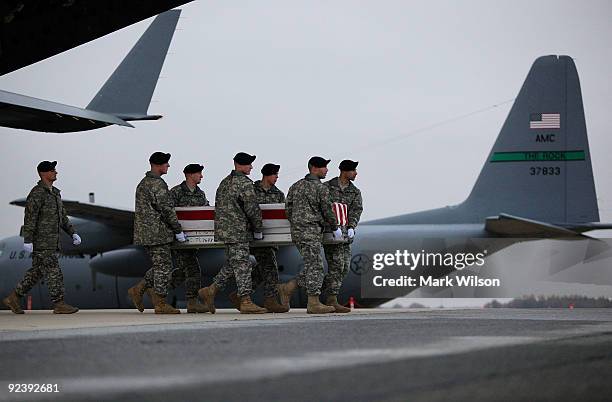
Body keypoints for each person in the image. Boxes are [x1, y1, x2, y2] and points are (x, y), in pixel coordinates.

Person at [2, 161, 81, 314]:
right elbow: (30, 218)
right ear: (43, 173)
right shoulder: (37, 194)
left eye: (55, 170)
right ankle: (59, 304)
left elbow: (62, 217)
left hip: (52, 241)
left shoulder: (55, 193)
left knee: (37, 272)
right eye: (52, 170)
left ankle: (13, 297)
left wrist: (73, 233)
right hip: (42, 242)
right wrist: (28, 239)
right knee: (54, 270)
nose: (55, 172)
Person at [198, 152, 267, 314]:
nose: (251, 167)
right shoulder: (244, 183)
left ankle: (211, 291)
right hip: (238, 231)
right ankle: (245, 300)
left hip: (225, 231)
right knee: (243, 264)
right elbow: (252, 209)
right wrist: (258, 229)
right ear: (241, 165)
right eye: (249, 164)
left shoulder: (224, 183)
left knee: (233, 263)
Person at [279, 156, 343, 314]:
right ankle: (313, 302)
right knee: (316, 266)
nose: (327, 170)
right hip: (311, 231)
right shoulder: (320, 188)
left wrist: (297, 222)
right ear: (314, 168)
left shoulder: (296, 186)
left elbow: (288, 209)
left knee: (312, 265)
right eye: (324, 167)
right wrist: (335, 227)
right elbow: (327, 211)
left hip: (298, 232)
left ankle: (288, 288)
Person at [129, 152, 187, 314]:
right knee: (164, 267)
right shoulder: (157, 184)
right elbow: (167, 210)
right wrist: (178, 230)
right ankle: (160, 303)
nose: (168, 166)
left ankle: (139, 289)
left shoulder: (144, 183)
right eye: (166, 163)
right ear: (158, 165)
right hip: (157, 232)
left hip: (147, 233)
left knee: (161, 265)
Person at [228, 163, 289, 313]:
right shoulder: (252, 190)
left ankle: (245, 296)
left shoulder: (279, 194)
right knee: (269, 269)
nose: (277, 177)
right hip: (253, 237)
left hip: (270, 238)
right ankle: (269, 299)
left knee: (264, 269)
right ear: (267, 175)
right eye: (275, 175)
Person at [165, 163, 210, 313]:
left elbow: (206, 212)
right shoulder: (176, 192)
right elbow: (168, 213)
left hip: (193, 242)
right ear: (190, 175)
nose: (201, 176)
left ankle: (152, 289)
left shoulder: (200, 194)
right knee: (193, 269)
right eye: (199, 173)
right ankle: (192, 302)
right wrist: (177, 233)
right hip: (179, 240)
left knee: (183, 271)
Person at [322, 160, 363, 313]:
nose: (356, 173)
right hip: (331, 234)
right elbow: (323, 208)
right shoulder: (326, 187)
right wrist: (332, 226)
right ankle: (332, 298)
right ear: (344, 171)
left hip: (346, 235)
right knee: (337, 266)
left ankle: (318, 290)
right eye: (353, 170)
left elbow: (356, 210)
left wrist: (352, 226)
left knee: (344, 268)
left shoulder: (354, 192)